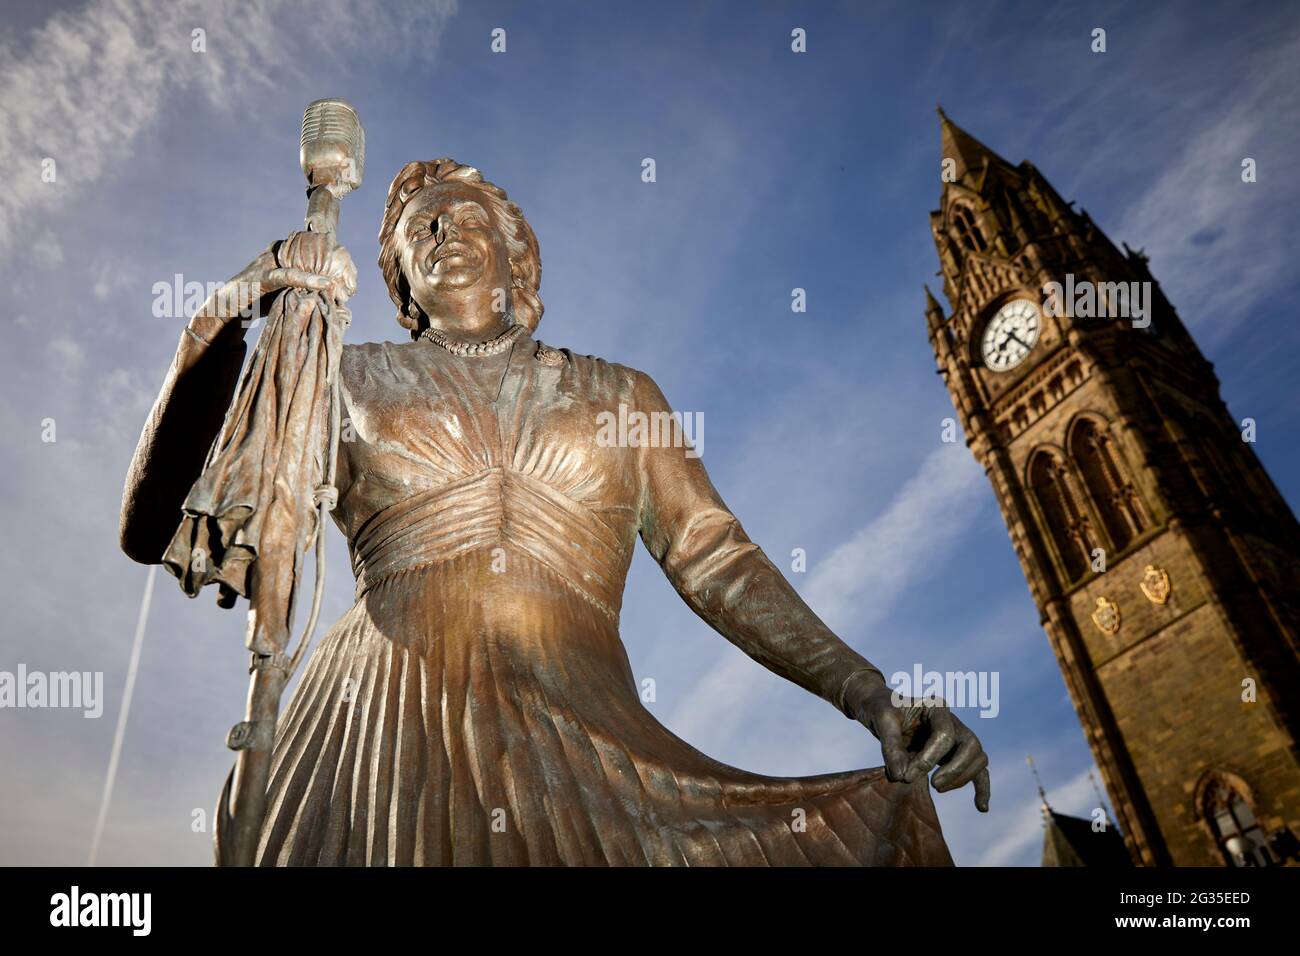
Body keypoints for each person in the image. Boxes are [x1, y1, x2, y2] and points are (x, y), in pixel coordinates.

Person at [120, 158, 988, 866]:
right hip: (375, 730)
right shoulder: (345, 375)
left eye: (463, 217)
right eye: (418, 231)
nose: (442, 234)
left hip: (589, 728)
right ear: (400, 283)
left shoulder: (619, 392)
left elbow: (716, 559)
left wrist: (870, 695)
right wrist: (230, 308)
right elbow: (158, 520)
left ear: (516, 253)